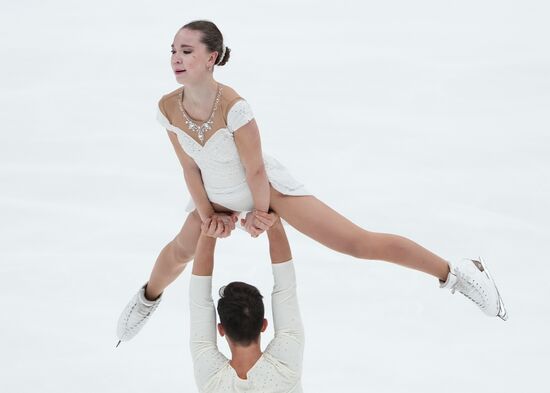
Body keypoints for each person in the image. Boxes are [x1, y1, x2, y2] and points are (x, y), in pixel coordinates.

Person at [116, 20, 507, 345]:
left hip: (267, 190)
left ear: (211, 57)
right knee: (179, 251)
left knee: (356, 242)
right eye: (172, 50)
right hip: (214, 194)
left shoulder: (235, 107)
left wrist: (262, 214)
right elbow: (189, 167)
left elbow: (254, 170)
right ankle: (148, 297)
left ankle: (459, 274)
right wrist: (207, 215)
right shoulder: (167, 107)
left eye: (186, 50)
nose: (176, 58)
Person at [188, 211, 304, 392]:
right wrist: (273, 224)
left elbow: (199, 302)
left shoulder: (211, 378)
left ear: (221, 330)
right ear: (263, 325)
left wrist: (210, 231)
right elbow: (285, 289)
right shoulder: (285, 367)